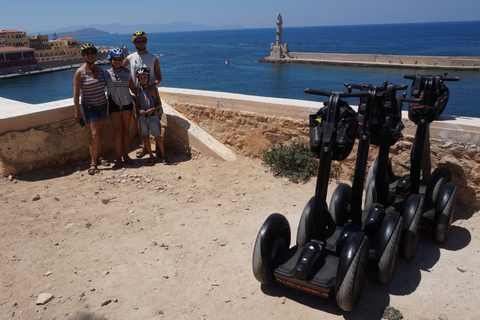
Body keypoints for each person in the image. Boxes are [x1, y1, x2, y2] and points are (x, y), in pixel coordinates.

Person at [122, 31, 163, 159]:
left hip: (152, 94)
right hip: (137, 95)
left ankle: (158, 146)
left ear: (146, 41)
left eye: (143, 40)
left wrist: (152, 86)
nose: (140, 43)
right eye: (138, 41)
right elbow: (121, 69)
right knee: (141, 121)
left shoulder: (153, 58)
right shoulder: (130, 58)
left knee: (157, 120)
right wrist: (131, 85)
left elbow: (159, 78)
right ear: (134, 43)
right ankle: (144, 146)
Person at [73, 43, 109, 175]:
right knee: (94, 134)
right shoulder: (80, 72)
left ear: (95, 55)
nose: (90, 55)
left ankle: (100, 157)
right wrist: (77, 111)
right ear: (84, 56)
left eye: (92, 53)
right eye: (87, 53)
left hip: (102, 105)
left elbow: (110, 82)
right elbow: (76, 94)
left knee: (99, 132)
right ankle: (93, 162)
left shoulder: (101, 71)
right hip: (89, 107)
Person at [105, 48, 137, 169]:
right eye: (115, 59)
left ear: (122, 60)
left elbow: (133, 89)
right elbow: (99, 85)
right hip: (113, 104)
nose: (117, 61)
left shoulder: (127, 73)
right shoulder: (106, 74)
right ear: (111, 60)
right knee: (117, 132)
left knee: (126, 131)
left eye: (119, 59)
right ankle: (118, 157)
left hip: (127, 104)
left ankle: (126, 155)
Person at [135, 67, 168, 165]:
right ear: (139, 79)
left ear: (148, 78)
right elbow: (137, 105)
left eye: (145, 77)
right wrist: (140, 110)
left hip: (153, 117)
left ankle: (164, 155)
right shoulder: (138, 92)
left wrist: (152, 109)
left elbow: (159, 104)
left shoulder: (154, 90)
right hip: (143, 118)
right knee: (145, 138)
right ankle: (150, 156)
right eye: (141, 78)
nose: (143, 79)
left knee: (157, 136)